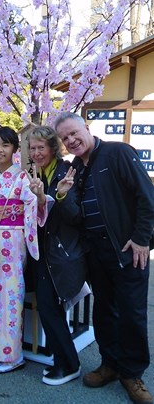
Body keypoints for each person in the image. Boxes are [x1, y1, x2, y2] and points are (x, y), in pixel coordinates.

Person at [54, 112, 154, 404]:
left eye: (74, 133)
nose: (71, 140)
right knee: (104, 312)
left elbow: (147, 198)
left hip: (127, 252)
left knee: (133, 314)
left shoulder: (117, 152)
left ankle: (132, 374)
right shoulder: (77, 169)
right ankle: (110, 364)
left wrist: (141, 239)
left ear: (87, 128)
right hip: (96, 254)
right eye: (65, 138)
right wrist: (62, 197)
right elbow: (76, 215)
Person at [0, 126, 54, 373]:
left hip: (13, 241)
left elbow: (35, 209)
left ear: (14, 149)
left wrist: (40, 199)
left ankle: (12, 355)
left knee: (8, 296)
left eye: (5, 145)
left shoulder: (22, 178)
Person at [27, 125, 89, 386]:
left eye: (41, 147)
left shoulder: (66, 171)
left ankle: (69, 364)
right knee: (49, 308)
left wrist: (57, 194)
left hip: (59, 252)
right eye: (32, 148)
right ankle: (62, 360)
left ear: (53, 147)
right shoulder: (37, 172)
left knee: (50, 308)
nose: (36, 152)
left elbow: (75, 215)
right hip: (43, 252)